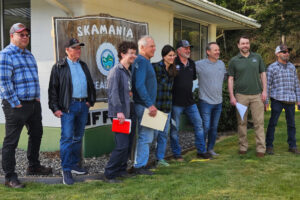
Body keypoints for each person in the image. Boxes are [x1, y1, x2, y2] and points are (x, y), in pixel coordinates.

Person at [0, 23, 52, 188]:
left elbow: (34, 78)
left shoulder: (29, 55)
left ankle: (33, 166)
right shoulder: (6, 55)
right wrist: (15, 103)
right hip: (16, 105)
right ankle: (10, 177)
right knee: (11, 141)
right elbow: (4, 82)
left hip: (33, 104)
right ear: (12, 36)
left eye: (27, 35)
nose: (25, 37)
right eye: (21, 34)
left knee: (37, 133)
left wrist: (36, 97)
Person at [48, 38, 96, 185]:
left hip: (82, 106)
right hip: (68, 107)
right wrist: (55, 108)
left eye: (79, 48)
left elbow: (90, 84)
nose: (78, 51)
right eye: (75, 48)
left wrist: (90, 101)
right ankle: (66, 170)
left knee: (77, 137)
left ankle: (74, 165)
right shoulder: (59, 67)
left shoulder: (83, 65)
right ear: (67, 50)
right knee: (67, 138)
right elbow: (53, 90)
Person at [228, 35, 267, 158]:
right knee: (242, 123)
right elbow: (230, 79)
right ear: (238, 45)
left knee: (259, 123)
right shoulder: (234, 61)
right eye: (243, 43)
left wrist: (265, 91)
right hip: (241, 97)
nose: (245, 45)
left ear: (249, 45)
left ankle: (261, 148)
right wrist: (232, 96)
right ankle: (242, 146)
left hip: (257, 95)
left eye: (247, 43)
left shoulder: (257, 57)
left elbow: (263, 74)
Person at [170, 40, 209, 161]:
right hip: (176, 103)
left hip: (190, 102)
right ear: (178, 50)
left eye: (189, 48)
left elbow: (192, 79)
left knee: (199, 124)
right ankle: (177, 154)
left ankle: (201, 151)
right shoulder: (173, 63)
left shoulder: (192, 63)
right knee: (174, 129)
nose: (188, 50)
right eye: (185, 48)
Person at [104, 41, 137, 182]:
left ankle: (121, 170)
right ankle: (109, 173)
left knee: (128, 144)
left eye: (135, 53)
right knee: (122, 145)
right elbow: (113, 93)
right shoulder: (115, 71)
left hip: (129, 112)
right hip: (120, 114)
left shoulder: (127, 71)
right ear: (122, 54)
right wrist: (119, 112)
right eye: (131, 53)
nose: (134, 56)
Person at [265, 44, 300, 155]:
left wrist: (299, 99)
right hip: (277, 99)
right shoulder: (271, 68)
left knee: (292, 125)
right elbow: (267, 85)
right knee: (272, 123)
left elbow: (296, 84)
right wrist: (266, 102)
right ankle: (269, 146)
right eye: (284, 52)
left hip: (290, 100)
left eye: (287, 52)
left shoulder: (292, 67)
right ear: (277, 54)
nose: (287, 53)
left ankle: (292, 146)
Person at [195, 42, 226, 156]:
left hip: (219, 102)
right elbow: (187, 70)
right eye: (215, 50)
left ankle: (210, 149)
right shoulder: (199, 64)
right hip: (205, 102)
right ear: (208, 52)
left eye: (218, 50)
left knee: (214, 127)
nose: (218, 52)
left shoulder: (221, 64)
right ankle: (201, 150)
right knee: (205, 127)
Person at [132, 35, 157, 175]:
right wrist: (150, 104)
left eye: (154, 46)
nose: (154, 48)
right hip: (144, 106)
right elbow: (139, 85)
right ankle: (139, 166)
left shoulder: (144, 61)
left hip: (146, 105)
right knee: (146, 136)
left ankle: (141, 164)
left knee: (147, 136)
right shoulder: (141, 61)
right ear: (142, 48)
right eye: (151, 46)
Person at [152, 45, 177, 167]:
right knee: (153, 135)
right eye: (170, 55)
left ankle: (160, 159)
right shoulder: (155, 67)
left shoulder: (173, 70)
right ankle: (144, 160)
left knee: (163, 135)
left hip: (167, 107)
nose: (172, 57)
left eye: (173, 55)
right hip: (157, 107)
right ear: (164, 56)